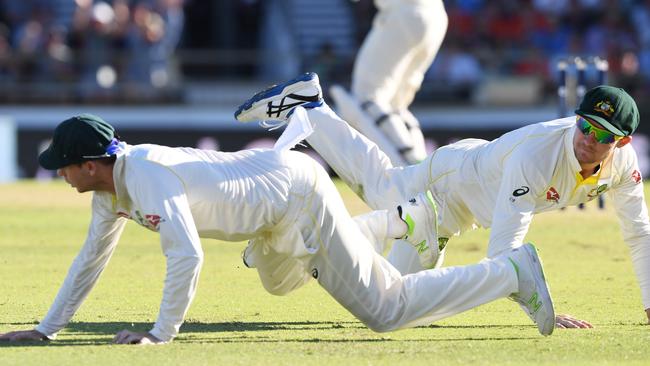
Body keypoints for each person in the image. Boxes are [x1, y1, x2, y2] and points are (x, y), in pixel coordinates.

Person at [0, 93, 555, 343]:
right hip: (271, 210)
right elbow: (88, 260)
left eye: (66, 167)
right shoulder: (110, 190)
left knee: (387, 310)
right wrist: (46, 331)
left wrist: (159, 335)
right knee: (277, 278)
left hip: (296, 194)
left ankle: (511, 273)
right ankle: (400, 222)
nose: (61, 176)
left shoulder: (143, 174)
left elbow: (187, 254)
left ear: (92, 164)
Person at [235, 72, 649, 328]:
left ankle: (313, 112)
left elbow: (639, 233)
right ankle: (309, 106)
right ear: (576, 118)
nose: (588, 141)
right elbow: (505, 252)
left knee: (397, 297)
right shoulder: (537, 158)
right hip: (451, 181)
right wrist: (541, 310)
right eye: (584, 126)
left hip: (465, 204)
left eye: (602, 136)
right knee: (380, 187)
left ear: (623, 142)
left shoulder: (624, 167)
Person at [330, 0, 447, 166]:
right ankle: (423, 167)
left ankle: (408, 167)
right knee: (396, 104)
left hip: (403, 13)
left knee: (368, 97)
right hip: (435, 17)